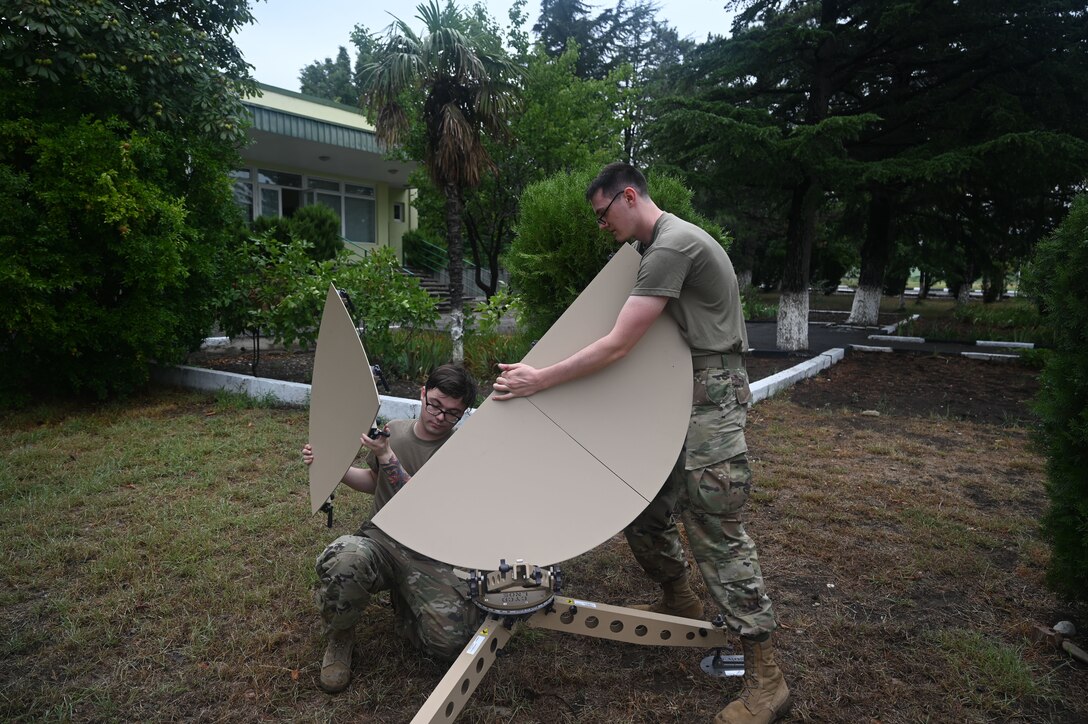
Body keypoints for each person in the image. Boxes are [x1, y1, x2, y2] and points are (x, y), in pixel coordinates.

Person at [491, 162, 790, 724]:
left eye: (603, 213)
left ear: (629, 196)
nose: (601, 225)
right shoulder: (663, 244)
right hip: (682, 395)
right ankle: (679, 595)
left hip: (712, 399)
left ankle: (767, 679)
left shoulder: (671, 246)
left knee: (716, 531)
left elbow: (617, 345)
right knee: (644, 505)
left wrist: (540, 377)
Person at [302, 364, 479, 694]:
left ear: (462, 413)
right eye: (435, 405)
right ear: (423, 394)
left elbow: (418, 501)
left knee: (450, 644)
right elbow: (373, 481)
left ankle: (406, 603)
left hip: (429, 554)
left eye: (452, 413)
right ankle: (341, 637)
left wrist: (386, 456)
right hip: (381, 542)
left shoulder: (461, 452)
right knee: (346, 557)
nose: (440, 417)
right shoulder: (394, 430)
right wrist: (331, 464)